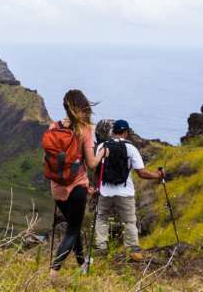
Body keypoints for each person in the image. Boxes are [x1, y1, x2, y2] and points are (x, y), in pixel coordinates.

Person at [48, 89, 107, 278]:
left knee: (74, 224)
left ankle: (82, 263)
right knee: (73, 229)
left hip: (57, 187)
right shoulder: (85, 129)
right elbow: (91, 163)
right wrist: (102, 154)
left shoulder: (53, 127)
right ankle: (53, 272)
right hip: (77, 185)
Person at [93, 119, 165, 261]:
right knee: (129, 222)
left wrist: (97, 188)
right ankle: (133, 251)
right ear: (125, 132)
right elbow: (142, 173)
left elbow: (97, 170)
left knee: (102, 218)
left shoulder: (102, 145)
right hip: (125, 192)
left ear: (113, 131)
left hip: (105, 191)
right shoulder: (131, 149)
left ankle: (101, 247)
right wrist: (158, 175)